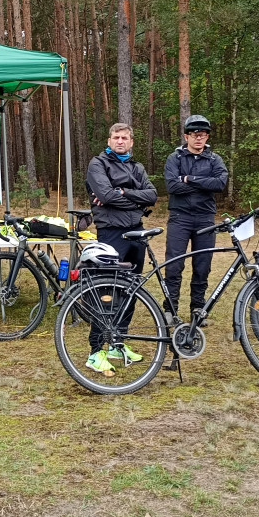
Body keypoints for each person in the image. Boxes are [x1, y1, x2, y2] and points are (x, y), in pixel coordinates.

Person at [84, 123, 158, 374]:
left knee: (131, 291)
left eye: (125, 137)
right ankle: (95, 352)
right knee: (106, 292)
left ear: (131, 141)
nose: (120, 141)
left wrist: (123, 192)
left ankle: (118, 344)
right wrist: (132, 200)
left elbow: (152, 195)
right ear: (109, 139)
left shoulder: (137, 167)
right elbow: (105, 195)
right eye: (116, 137)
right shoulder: (98, 164)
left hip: (137, 232)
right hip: (111, 233)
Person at [163, 115, 229, 325]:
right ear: (186, 136)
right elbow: (172, 186)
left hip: (205, 218)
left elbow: (220, 183)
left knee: (202, 266)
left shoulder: (214, 160)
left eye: (202, 135)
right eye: (194, 135)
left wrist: (189, 179)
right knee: (174, 265)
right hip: (179, 218)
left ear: (207, 137)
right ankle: (170, 309)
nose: (199, 139)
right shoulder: (175, 159)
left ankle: (197, 309)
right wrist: (204, 183)